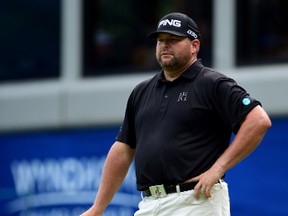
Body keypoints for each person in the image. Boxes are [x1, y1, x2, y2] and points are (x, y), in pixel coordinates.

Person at [81, 12, 271, 216]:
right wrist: (98, 208)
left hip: (196, 201)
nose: (164, 45)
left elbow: (258, 120)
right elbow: (123, 149)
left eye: (173, 39)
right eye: (161, 40)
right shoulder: (142, 91)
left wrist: (218, 169)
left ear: (194, 46)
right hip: (150, 204)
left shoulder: (212, 83)